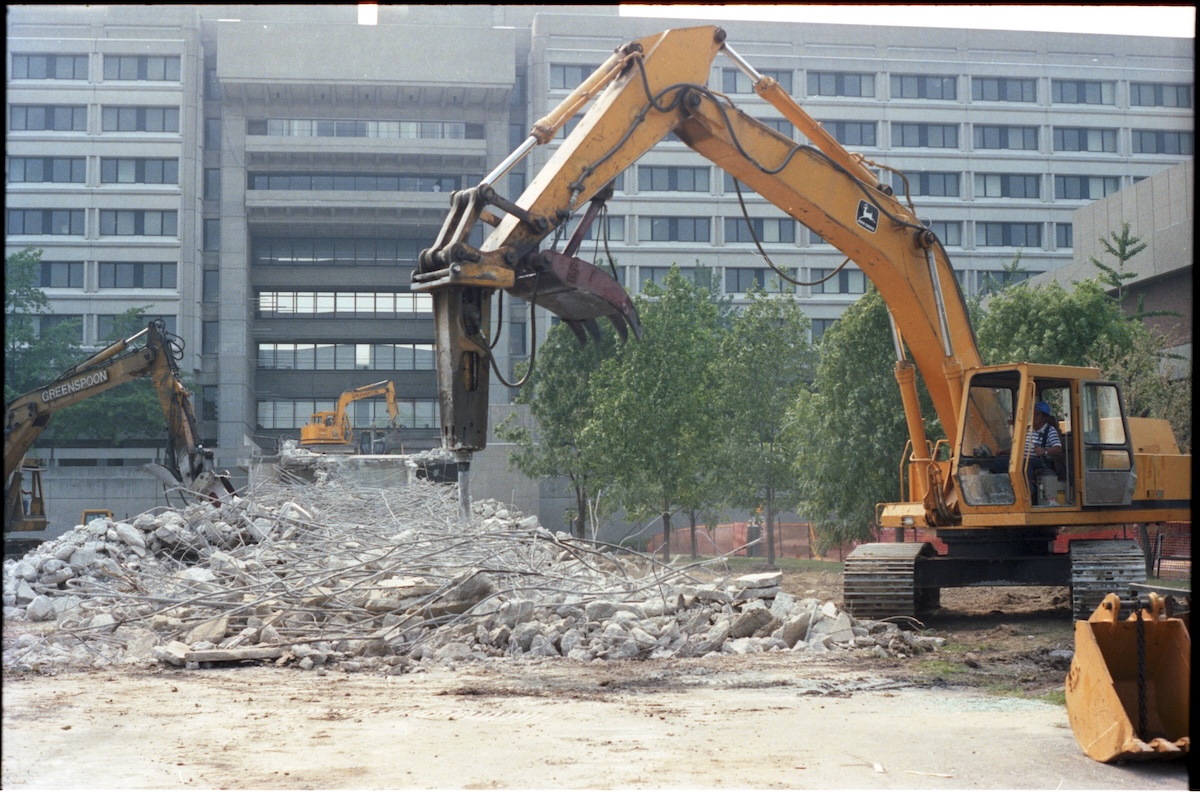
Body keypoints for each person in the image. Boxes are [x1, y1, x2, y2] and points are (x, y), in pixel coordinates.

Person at [1025, 401, 1063, 502]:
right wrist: (1003, 451)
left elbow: (1058, 448)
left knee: (1026, 464)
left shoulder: (1050, 431)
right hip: (1022, 461)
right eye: (1033, 413)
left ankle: (1027, 493)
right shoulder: (1027, 430)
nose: (1034, 416)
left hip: (1040, 462)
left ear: (1044, 418)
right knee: (999, 463)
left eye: (1037, 414)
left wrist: (1044, 451)